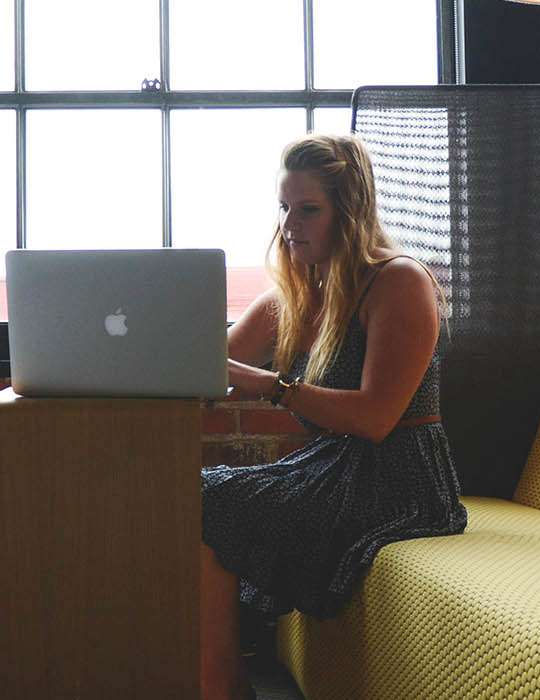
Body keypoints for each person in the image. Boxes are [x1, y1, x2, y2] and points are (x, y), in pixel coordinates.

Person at [199, 134, 468, 700]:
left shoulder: (398, 282)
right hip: (332, 467)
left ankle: (219, 685)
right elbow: (210, 363)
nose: (290, 225)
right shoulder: (296, 290)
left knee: (209, 501)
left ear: (349, 212)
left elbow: (375, 418)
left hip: (400, 478)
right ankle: (217, 678)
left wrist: (272, 386)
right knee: (194, 495)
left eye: (308, 209)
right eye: (284, 208)